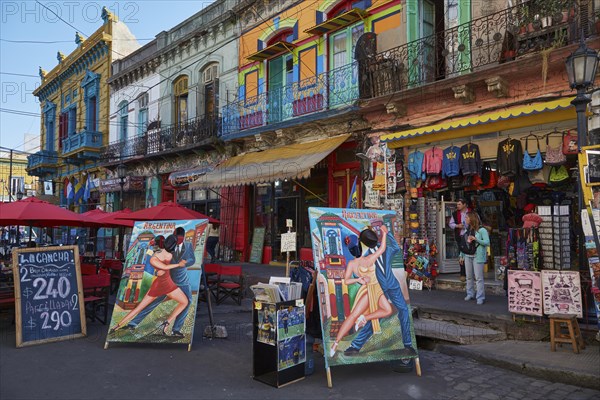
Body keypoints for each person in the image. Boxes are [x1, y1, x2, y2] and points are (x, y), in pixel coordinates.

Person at [343, 224, 416, 358]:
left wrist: (387, 235)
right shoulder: (368, 256)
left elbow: (395, 248)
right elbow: (357, 272)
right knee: (377, 316)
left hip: (392, 285)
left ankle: (408, 345)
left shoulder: (385, 250)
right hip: (380, 287)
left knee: (404, 310)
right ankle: (355, 345)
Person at [330, 225, 391, 357]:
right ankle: (337, 341)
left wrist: (358, 280)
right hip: (371, 289)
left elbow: (346, 281)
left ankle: (336, 342)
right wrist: (384, 233)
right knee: (357, 315)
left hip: (373, 289)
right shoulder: (368, 259)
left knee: (357, 315)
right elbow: (382, 248)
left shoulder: (352, 263)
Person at [110, 235, 189, 335]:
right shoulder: (157, 257)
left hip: (168, 284)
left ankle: (167, 322)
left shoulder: (162, 255)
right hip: (159, 286)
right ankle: (117, 325)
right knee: (140, 307)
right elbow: (164, 267)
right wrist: (178, 264)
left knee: (184, 302)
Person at [126, 226, 196, 337]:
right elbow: (156, 257)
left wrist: (186, 262)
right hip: (167, 281)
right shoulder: (167, 244)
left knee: (187, 302)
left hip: (182, 280)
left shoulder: (188, 246)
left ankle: (176, 330)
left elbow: (193, 259)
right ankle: (133, 323)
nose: (178, 241)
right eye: (177, 238)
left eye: (180, 239)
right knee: (153, 302)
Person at [463, 211, 490, 305]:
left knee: (479, 278)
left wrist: (476, 239)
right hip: (467, 255)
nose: (465, 219)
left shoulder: (482, 230)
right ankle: (470, 293)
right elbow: (465, 243)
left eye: (467, 217)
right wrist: (461, 255)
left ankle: (480, 297)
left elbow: (487, 242)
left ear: (472, 218)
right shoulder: (467, 229)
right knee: (469, 276)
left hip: (477, 256)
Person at [449, 198, 470, 282]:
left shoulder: (471, 213)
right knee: (461, 255)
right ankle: (462, 273)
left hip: (470, 236)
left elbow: (476, 222)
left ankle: (471, 273)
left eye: (459, 204)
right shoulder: (455, 214)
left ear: (464, 204)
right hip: (460, 237)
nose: (457, 206)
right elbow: (451, 224)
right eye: (457, 204)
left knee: (471, 254)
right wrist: (457, 226)